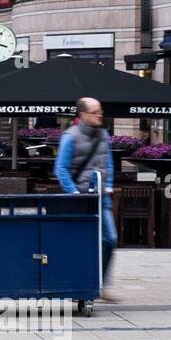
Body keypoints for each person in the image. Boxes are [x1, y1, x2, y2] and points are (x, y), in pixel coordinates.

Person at [55, 96, 118, 302]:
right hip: (80, 200)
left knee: (110, 239)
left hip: (101, 197)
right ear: (82, 115)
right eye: (95, 112)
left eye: (100, 111)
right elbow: (61, 169)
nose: (100, 115)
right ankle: (79, 284)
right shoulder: (70, 137)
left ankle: (99, 282)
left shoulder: (103, 135)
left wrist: (108, 186)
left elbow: (108, 163)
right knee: (80, 243)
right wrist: (73, 192)